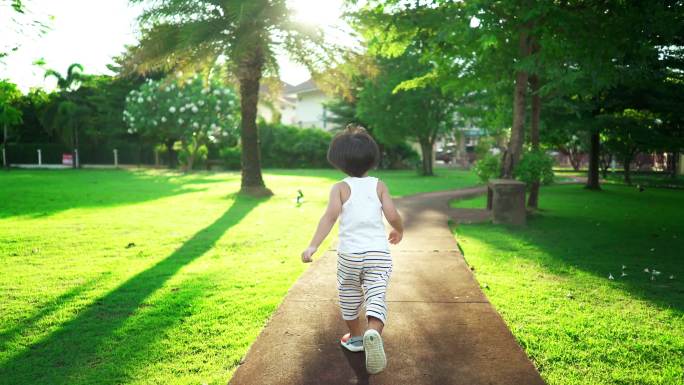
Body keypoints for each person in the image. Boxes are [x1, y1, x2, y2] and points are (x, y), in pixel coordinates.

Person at [300, 124, 404, 375]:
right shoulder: (379, 185)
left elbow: (329, 217)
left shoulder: (340, 188)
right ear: (371, 159)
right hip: (377, 254)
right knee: (376, 294)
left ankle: (356, 337)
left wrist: (313, 245)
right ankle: (373, 332)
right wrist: (399, 229)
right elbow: (391, 213)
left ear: (339, 162)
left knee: (348, 293)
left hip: (349, 255)